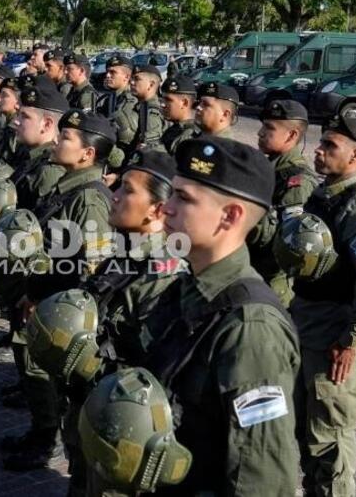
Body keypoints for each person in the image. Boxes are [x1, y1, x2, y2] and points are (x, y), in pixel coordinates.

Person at [141, 137, 301, 495]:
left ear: (230, 216)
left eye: (184, 198)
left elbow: (261, 476)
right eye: (172, 193)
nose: (164, 208)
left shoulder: (251, 328)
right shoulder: (188, 287)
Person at [66, 149, 184, 496]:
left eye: (128, 190)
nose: (114, 196)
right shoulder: (126, 254)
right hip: (96, 412)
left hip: (125, 429)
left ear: (158, 209)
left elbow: (157, 379)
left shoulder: (162, 276)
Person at [4, 109, 116, 472]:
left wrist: (49, 301)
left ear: (88, 154)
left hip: (59, 305)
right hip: (43, 293)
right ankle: (40, 430)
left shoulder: (90, 199)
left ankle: (47, 439)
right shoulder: (68, 185)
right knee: (32, 365)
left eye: (67, 138)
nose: (58, 141)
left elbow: (90, 266)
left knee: (43, 372)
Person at [291, 115, 356, 496]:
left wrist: (352, 339)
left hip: (334, 342)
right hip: (309, 329)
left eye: (330, 146)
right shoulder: (326, 194)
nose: (318, 150)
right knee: (307, 436)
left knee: (329, 440)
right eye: (321, 143)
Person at [249, 100, 318, 307]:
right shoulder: (267, 168)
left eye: (269, 128)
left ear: (292, 135)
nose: (260, 133)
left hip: (273, 285)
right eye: (262, 126)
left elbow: (289, 242)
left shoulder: (297, 181)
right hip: (253, 273)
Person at [10, 77, 69, 209]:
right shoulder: (30, 154)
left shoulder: (49, 172)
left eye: (24, 116)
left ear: (47, 124)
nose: (16, 121)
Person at [96, 55, 139, 170]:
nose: (107, 75)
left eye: (113, 72)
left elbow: (126, 141)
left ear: (126, 77)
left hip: (120, 163)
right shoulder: (112, 97)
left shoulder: (129, 102)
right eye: (107, 72)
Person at [129, 63, 167, 153]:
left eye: (137, 79)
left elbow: (148, 150)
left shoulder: (151, 113)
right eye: (132, 78)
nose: (131, 82)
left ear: (151, 84)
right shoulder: (142, 106)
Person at [159, 75, 197, 154]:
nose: (162, 104)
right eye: (162, 99)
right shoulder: (175, 128)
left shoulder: (190, 136)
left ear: (184, 103)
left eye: (168, 100)